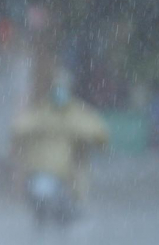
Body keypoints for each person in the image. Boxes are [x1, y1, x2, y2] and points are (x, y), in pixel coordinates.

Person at [12, 70, 109, 209]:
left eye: (63, 88)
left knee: (71, 199)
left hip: (67, 173)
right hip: (41, 169)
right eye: (57, 88)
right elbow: (19, 127)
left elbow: (99, 132)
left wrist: (78, 131)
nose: (60, 93)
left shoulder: (76, 112)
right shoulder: (43, 110)